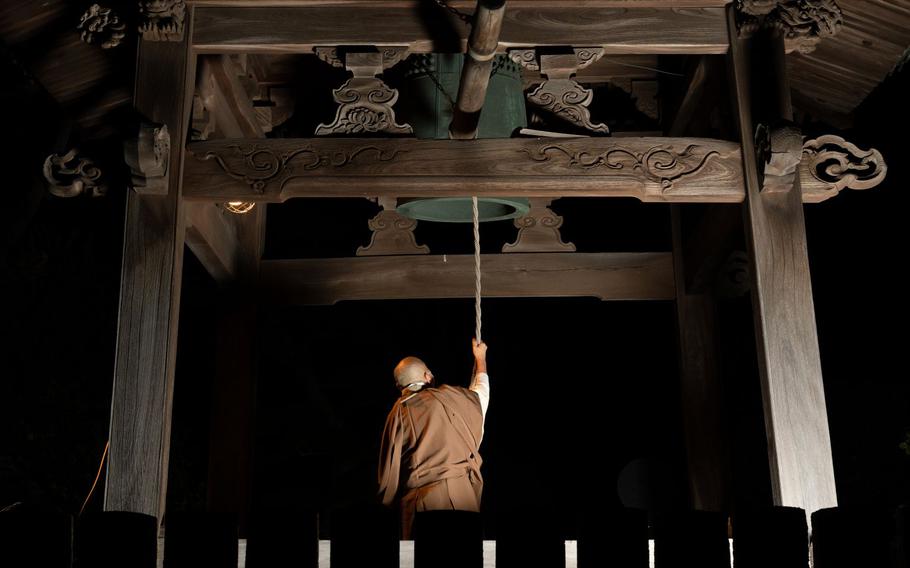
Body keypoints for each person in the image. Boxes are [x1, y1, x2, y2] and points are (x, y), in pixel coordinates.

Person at [377, 338, 490, 539]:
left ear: (399, 386)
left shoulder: (395, 415)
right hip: (459, 498)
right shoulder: (449, 397)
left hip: (417, 506)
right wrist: (480, 359)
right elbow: (480, 397)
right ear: (428, 376)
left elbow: (387, 477)